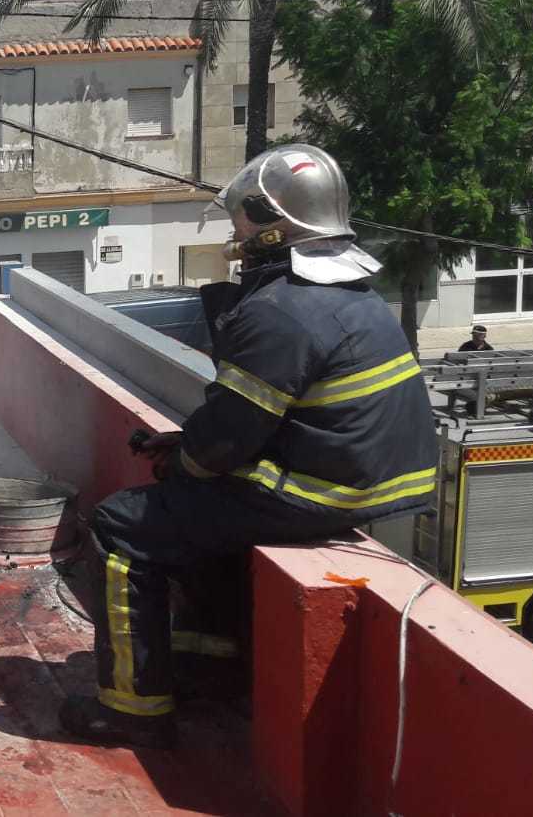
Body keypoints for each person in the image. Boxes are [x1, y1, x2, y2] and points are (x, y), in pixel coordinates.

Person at [60, 143, 437, 749]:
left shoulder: (280, 311)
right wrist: (190, 453)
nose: (235, 235)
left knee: (121, 526)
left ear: (269, 224)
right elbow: (269, 416)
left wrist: (185, 460)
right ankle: (208, 666)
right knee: (199, 514)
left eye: (241, 221)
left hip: (320, 491)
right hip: (367, 481)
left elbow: (223, 444)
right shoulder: (355, 295)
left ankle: (134, 709)